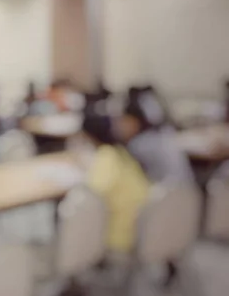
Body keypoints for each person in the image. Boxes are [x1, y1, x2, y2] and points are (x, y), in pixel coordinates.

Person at [83, 114, 150, 253]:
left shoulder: (106, 156)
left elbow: (93, 193)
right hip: (145, 224)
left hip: (123, 231)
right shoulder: (121, 152)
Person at [116, 99, 194, 184]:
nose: (120, 127)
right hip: (186, 188)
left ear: (135, 121)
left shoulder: (138, 145)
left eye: (124, 122)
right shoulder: (162, 134)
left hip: (168, 191)